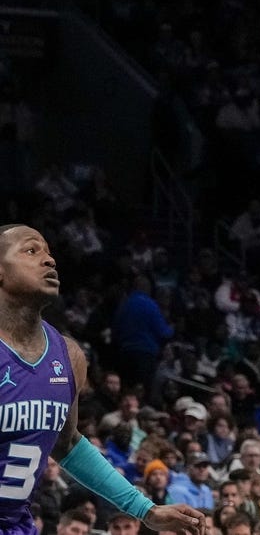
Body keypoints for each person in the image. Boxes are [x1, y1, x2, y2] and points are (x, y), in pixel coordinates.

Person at [0, 224, 205, 534]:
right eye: (31, 250)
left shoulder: (68, 356)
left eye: (48, 252)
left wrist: (145, 509)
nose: (49, 260)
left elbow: (67, 445)